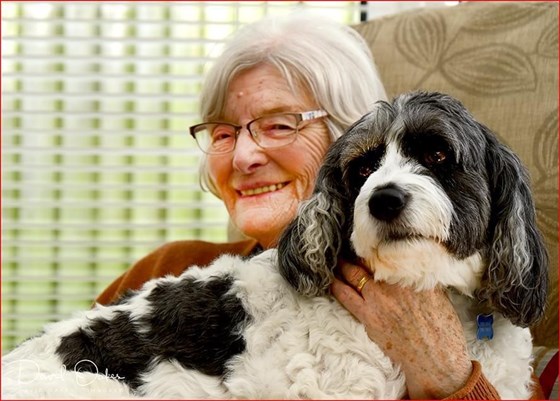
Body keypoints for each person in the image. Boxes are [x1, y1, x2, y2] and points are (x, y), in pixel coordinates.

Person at [95, 13, 538, 400]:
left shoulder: (485, 331)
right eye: (224, 133)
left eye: (278, 124)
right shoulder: (169, 269)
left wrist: (450, 376)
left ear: (353, 134)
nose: (243, 156)